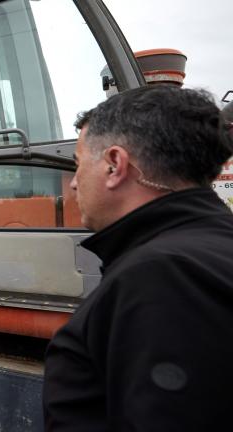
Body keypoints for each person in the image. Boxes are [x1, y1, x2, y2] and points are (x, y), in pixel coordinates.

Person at [43, 85, 233, 430]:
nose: (73, 183)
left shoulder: (162, 278)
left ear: (114, 165)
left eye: (79, 164)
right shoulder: (209, 247)